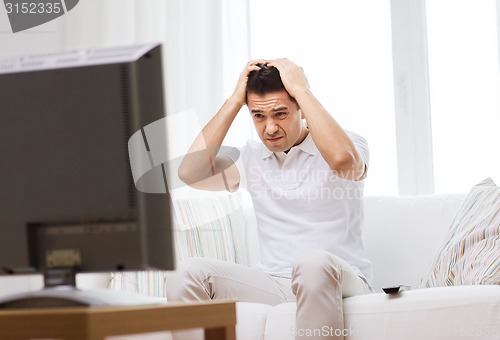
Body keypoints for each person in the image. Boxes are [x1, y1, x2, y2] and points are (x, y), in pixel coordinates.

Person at [166, 58, 373, 340]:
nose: (270, 128)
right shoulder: (251, 157)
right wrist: (233, 102)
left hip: (339, 279)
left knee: (312, 263)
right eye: (259, 116)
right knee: (187, 272)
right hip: (275, 283)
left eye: (280, 113)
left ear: (301, 108)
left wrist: (302, 89)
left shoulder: (347, 142)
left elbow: (343, 162)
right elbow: (190, 172)